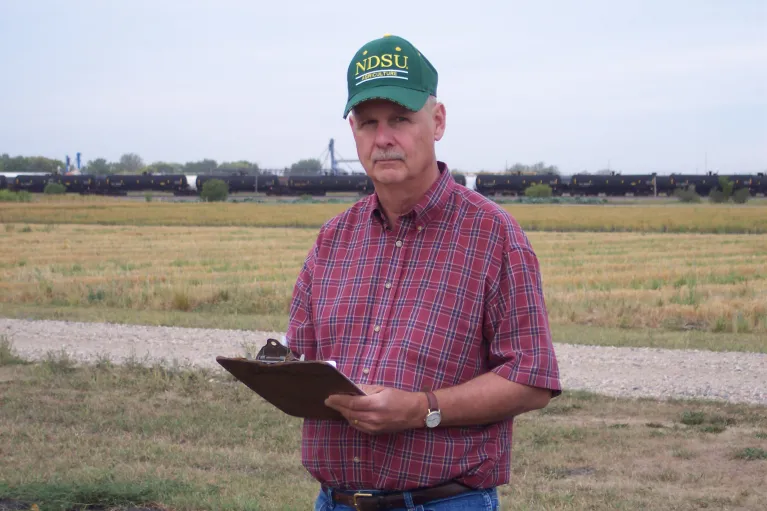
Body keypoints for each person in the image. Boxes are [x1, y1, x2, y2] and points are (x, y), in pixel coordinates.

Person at [286, 34, 562, 511]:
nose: (384, 138)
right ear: (353, 130)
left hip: (442, 503)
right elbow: (301, 364)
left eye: (400, 119)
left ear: (437, 121)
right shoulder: (333, 241)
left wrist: (420, 409)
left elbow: (532, 378)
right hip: (334, 501)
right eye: (368, 122)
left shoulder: (494, 236)